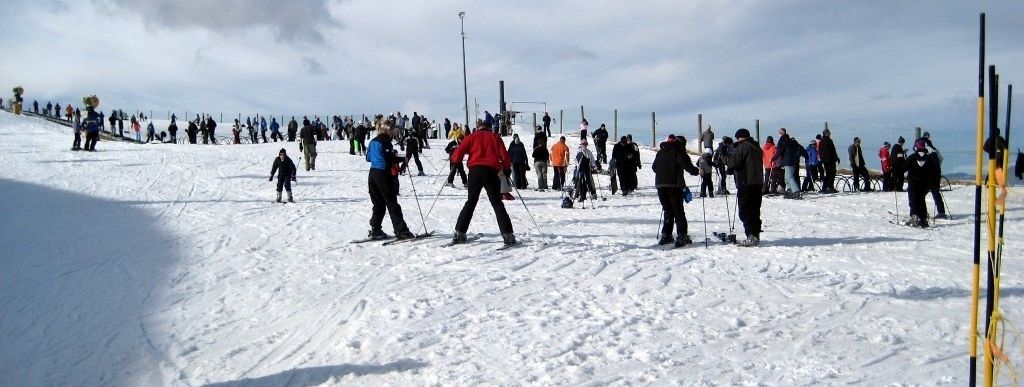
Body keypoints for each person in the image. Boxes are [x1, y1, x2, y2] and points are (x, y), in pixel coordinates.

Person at [449, 122, 517, 246]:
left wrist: (454, 159)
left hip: (475, 172)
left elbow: (458, 155)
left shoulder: (471, 137)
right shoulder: (495, 137)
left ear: (478, 128)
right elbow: (505, 156)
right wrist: (506, 168)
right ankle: (508, 235)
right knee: (497, 203)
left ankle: (460, 233)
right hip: (491, 172)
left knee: (471, 202)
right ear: (489, 128)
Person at [365, 123, 415, 239]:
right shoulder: (385, 141)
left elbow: (368, 158)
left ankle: (376, 229)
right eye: (392, 129)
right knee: (391, 202)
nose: (394, 132)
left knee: (378, 203)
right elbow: (388, 159)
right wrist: (403, 159)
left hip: (372, 173)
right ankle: (401, 231)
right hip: (383, 174)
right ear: (387, 130)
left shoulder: (373, 141)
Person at [652, 135, 700, 247]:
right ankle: (682, 236)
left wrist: (664, 173)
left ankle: (666, 235)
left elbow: (654, 167)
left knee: (668, 211)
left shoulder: (660, 152)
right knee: (678, 211)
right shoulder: (678, 151)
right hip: (674, 186)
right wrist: (698, 171)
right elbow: (687, 166)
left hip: (660, 185)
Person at [726, 128, 764, 247]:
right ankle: (755, 235)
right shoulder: (756, 147)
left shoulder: (743, 146)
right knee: (754, 210)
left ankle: (751, 236)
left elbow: (734, 163)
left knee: (745, 211)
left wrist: (725, 159)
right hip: (757, 182)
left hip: (745, 182)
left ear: (739, 137)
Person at [904, 140, 939, 227]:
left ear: (916, 147)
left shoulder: (912, 157)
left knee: (913, 200)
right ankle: (923, 220)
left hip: (913, 182)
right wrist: (935, 182)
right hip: (925, 184)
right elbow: (935, 171)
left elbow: (903, 168)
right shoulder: (929, 158)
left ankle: (914, 217)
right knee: (921, 200)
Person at [920, 132, 947, 218]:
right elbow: (941, 159)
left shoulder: (925, 152)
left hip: (929, 177)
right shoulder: (935, 151)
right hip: (936, 175)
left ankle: (922, 213)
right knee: (936, 194)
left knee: (920, 195)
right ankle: (941, 212)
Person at [572, 139, 598, 204]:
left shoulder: (589, 152)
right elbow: (575, 160)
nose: (585, 145)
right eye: (583, 144)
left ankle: (590, 193)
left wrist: (594, 166)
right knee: (579, 182)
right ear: (581, 144)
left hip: (587, 169)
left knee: (589, 182)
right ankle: (578, 194)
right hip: (580, 169)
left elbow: (592, 160)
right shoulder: (578, 151)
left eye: (586, 144)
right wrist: (578, 165)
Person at [818, 128, 839, 193]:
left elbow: (821, 152)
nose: (830, 134)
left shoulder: (821, 141)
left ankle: (824, 187)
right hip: (830, 160)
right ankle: (830, 187)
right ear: (826, 133)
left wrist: (823, 159)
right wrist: (835, 158)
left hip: (825, 160)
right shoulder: (828, 140)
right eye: (829, 133)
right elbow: (832, 151)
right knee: (831, 174)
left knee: (828, 174)